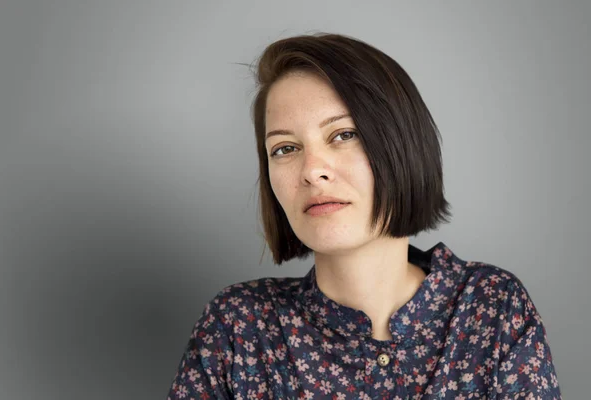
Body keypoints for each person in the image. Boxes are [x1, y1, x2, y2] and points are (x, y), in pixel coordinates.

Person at [166, 32, 561, 399]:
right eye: (285, 148)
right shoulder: (239, 327)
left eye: (343, 135)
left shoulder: (492, 309)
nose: (311, 170)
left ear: (401, 145)